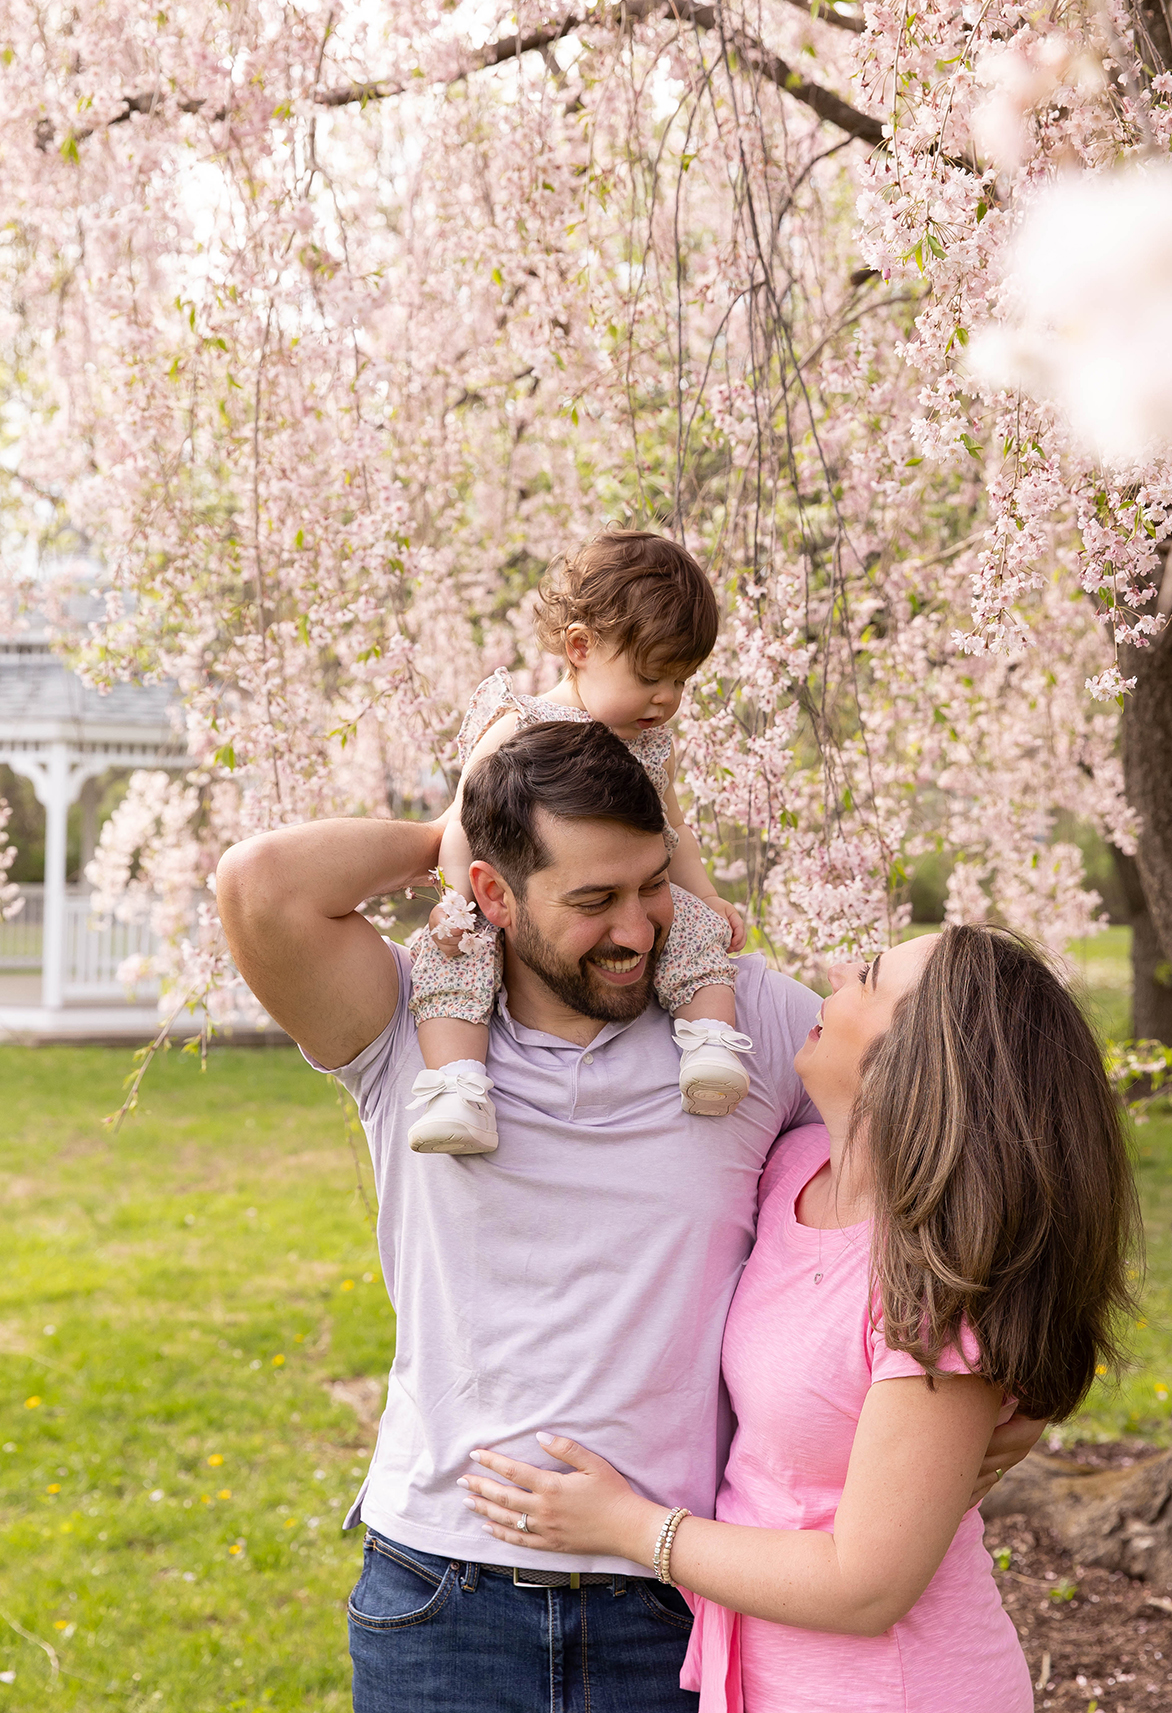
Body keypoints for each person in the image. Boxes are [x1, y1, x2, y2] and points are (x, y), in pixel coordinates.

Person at [215, 721, 1042, 1713]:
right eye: (593, 899)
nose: (640, 930)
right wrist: (460, 820)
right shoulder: (409, 1028)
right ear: (491, 892)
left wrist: (1018, 1389)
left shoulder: (749, 1028)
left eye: (653, 884)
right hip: (443, 1598)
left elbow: (973, 1137)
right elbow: (260, 885)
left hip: (676, 1607)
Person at [458, 925, 1140, 1713]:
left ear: (916, 1064)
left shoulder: (932, 1285)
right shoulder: (789, 1172)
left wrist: (630, 1528)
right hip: (765, 1681)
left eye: (870, 975)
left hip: (894, 1689)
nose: (836, 969)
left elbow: (864, 1586)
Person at [405, 530, 754, 1157]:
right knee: (455, 958)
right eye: (651, 676)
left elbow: (676, 831)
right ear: (580, 647)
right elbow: (461, 823)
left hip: (633, 893)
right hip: (518, 899)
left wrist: (706, 895)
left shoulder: (649, 744)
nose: (667, 698)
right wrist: (457, 900)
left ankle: (709, 1040)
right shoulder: (522, 725)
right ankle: (457, 1086)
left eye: (682, 680)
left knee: (697, 929)